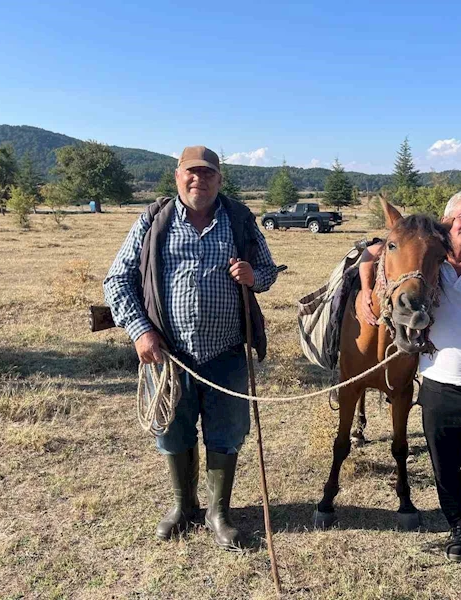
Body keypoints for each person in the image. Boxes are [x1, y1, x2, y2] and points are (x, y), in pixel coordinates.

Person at [103, 146, 278, 549]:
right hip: (165, 354)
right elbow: (117, 280)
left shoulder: (239, 219)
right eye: (191, 173)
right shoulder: (153, 221)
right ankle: (184, 507)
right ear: (177, 176)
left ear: (220, 179)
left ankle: (218, 513)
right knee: (172, 430)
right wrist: (141, 332)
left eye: (208, 173)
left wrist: (254, 275)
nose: (199, 179)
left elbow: (268, 272)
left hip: (227, 352)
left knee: (227, 433)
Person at [357, 190, 461, 570]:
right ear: (447, 222)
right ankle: (458, 526)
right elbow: (375, 251)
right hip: (439, 384)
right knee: (444, 465)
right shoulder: (430, 260)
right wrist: (367, 291)